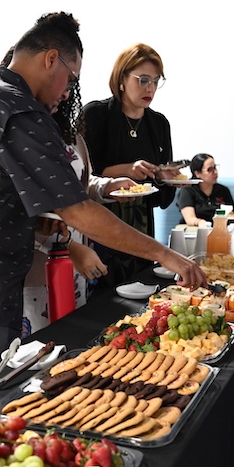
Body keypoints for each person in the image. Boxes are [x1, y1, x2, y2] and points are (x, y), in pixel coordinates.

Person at [0, 12, 205, 384]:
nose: (66, 91)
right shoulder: (15, 108)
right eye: (70, 78)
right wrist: (165, 255)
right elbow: (75, 209)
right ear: (50, 59)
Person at [21, 71, 133, 337]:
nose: (65, 93)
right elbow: (21, 210)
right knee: (42, 347)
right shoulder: (21, 138)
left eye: (70, 86)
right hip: (38, 266)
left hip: (78, 260)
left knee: (73, 341)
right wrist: (66, 248)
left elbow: (81, 184)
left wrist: (106, 186)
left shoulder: (71, 137)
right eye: (60, 84)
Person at [81, 43, 182, 289]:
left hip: (141, 226)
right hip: (100, 225)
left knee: (139, 297)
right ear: (122, 79)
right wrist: (128, 169)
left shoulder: (158, 124)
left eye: (156, 81)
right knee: (101, 299)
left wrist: (163, 177)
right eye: (143, 80)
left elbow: (162, 198)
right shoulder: (96, 114)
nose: (150, 88)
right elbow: (83, 174)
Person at [178, 153, 234, 225]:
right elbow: (190, 219)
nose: (215, 172)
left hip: (220, 230)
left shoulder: (223, 190)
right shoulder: (187, 190)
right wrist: (201, 223)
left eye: (215, 168)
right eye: (210, 169)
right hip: (197, 231)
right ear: (197, 173)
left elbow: (233, 214)